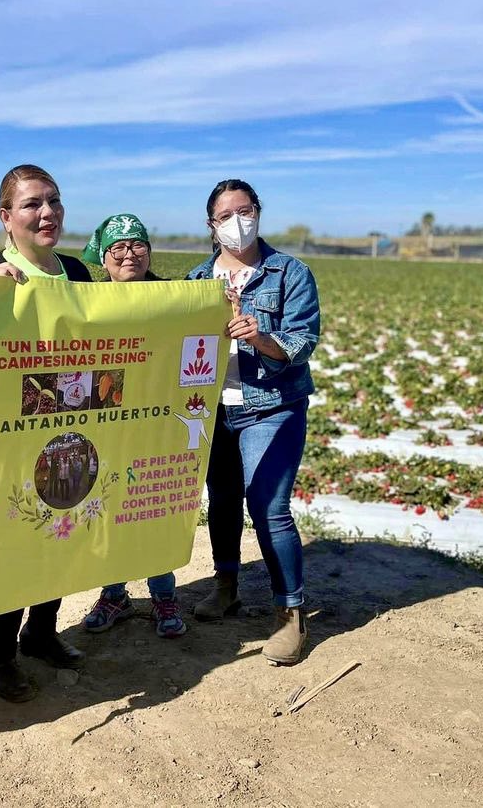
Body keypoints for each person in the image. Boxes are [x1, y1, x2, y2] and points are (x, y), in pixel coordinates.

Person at [0, 164, 90, 702]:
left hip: (74, 427)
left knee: (64, 530)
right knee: (16, 542)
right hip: (11, 434)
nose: (47, 213)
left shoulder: (79, 274)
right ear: (6, 217)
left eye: (54, 202)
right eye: (33, 204)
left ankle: (42, 632)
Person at [186, 179, 320, 666]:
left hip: (272, 405)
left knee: (268, 506)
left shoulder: (289, 273)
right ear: (211, 225)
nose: (237, 221)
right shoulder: (199, 278)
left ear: (258, 212)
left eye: (245, 211)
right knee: (221, 500)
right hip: (213, 407)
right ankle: (226, 585)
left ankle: (291, 614)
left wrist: (261, 337)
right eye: (226, 215)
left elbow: (303, 342)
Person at [76, 213, 186, 639]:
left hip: (161, 419)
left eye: (137, 245)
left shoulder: (175, 297)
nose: (128, 254)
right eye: (117, 248)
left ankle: (163, 595)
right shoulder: (88, 300)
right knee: (109, 506)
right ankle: (114, 593)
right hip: (106, 419)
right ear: (103, 258)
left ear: (149, 251)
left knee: (157, 505)